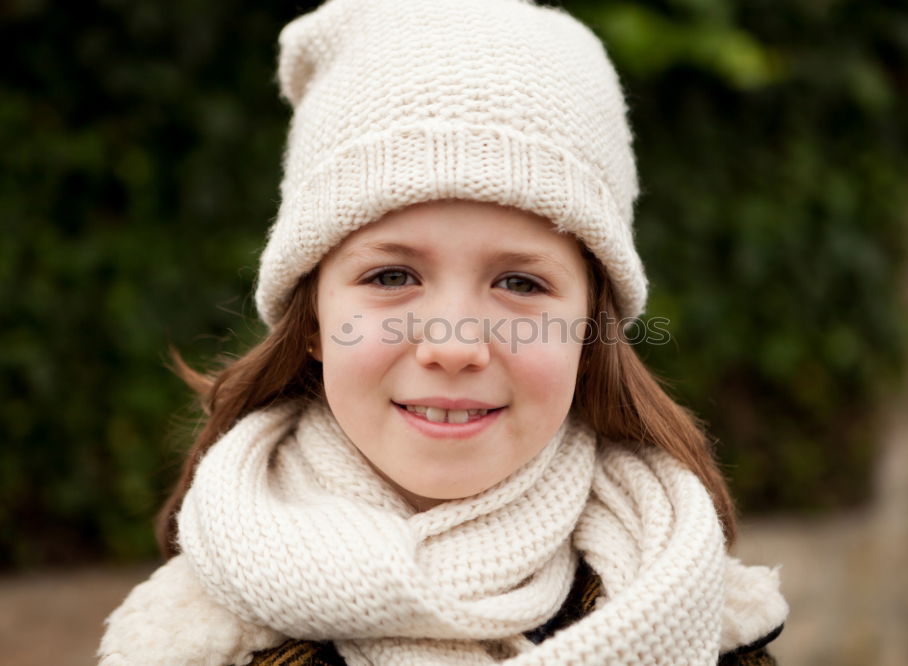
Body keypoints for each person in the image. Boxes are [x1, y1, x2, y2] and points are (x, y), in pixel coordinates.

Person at [97, 0, 789, 664]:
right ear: (311, 320)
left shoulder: (696, 611)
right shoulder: (187, 643)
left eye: (520, 283)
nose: (455, 346)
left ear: (589, 328)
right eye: (392, 277)